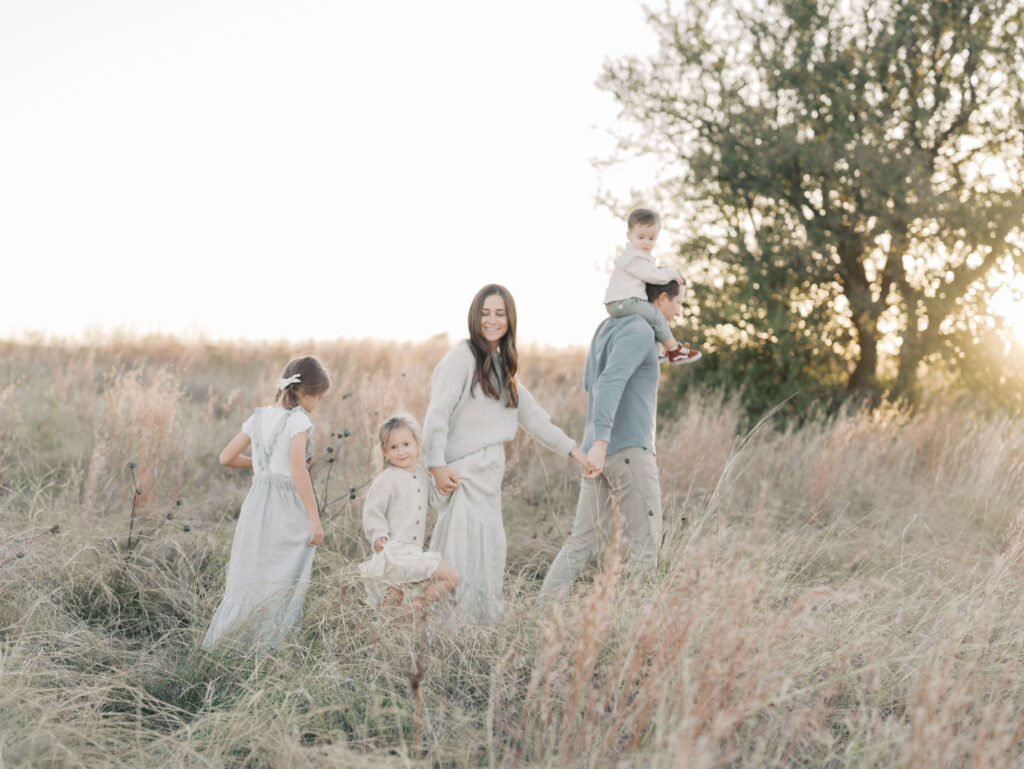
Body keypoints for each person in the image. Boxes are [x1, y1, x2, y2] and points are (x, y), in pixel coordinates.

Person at [423, 284, 589, 623]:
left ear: (510, 319)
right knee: (459, 554)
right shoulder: (461, 358)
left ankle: (480, 629)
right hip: (462, 475)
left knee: (490, 552)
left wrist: (574, 451)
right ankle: (448, 632)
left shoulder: (503, 367)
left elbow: (536, 419)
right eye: (485, 313)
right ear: (475, 317)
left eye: (499, 313)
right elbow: (436, 414)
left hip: (489, 477)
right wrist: (436, 465)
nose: (492, 320)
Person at [541, 280, 686, 594]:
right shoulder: (641, 331)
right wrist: (602, 442)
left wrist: (597, 445)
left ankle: (540, 613)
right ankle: (639, 633)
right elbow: (607, 383)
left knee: (581, 541)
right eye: (679, 303)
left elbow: (589, 381)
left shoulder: (607, 327)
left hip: (598, 452)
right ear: (661, 299)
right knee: (647, 545)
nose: (679, 311)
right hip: (627, 451)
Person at [202, 355, 330, 653]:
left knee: (251, 572)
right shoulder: (299, 419)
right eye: (319, 398)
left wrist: (264, 467)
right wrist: (314, 518)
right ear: (305, 392)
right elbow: (298, 470)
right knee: (283, 574)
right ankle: (268, 645)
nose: (318, 404)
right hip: (286, 507)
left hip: (257, 503)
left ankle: (231, 642)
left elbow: (226, 457)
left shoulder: (259, 416)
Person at [358, 414, 460, 613]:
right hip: (394, 551)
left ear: (417, 444)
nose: (401, 451)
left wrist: (445, 487)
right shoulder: (387, 479)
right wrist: (378, 535)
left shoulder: (422, 474)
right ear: (385, 453)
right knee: (392, 596)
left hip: (413, 552)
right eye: (394, 447)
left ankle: (410, 611)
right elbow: (373, 511)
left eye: (406, 444)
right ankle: (383, 633)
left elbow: (433, 501)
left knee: (451, 576)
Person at [604, 208, 701, 365]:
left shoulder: (640, 256)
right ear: (629, 236)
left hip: (623, 301)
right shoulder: (634, 257)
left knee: (649, 318)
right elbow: (653, 276)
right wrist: (672, 273)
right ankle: (674, 350)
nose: (646, 242)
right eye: (641, 237)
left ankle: (655, 351)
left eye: (651, 238)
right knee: (655, 315)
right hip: (622, 302)